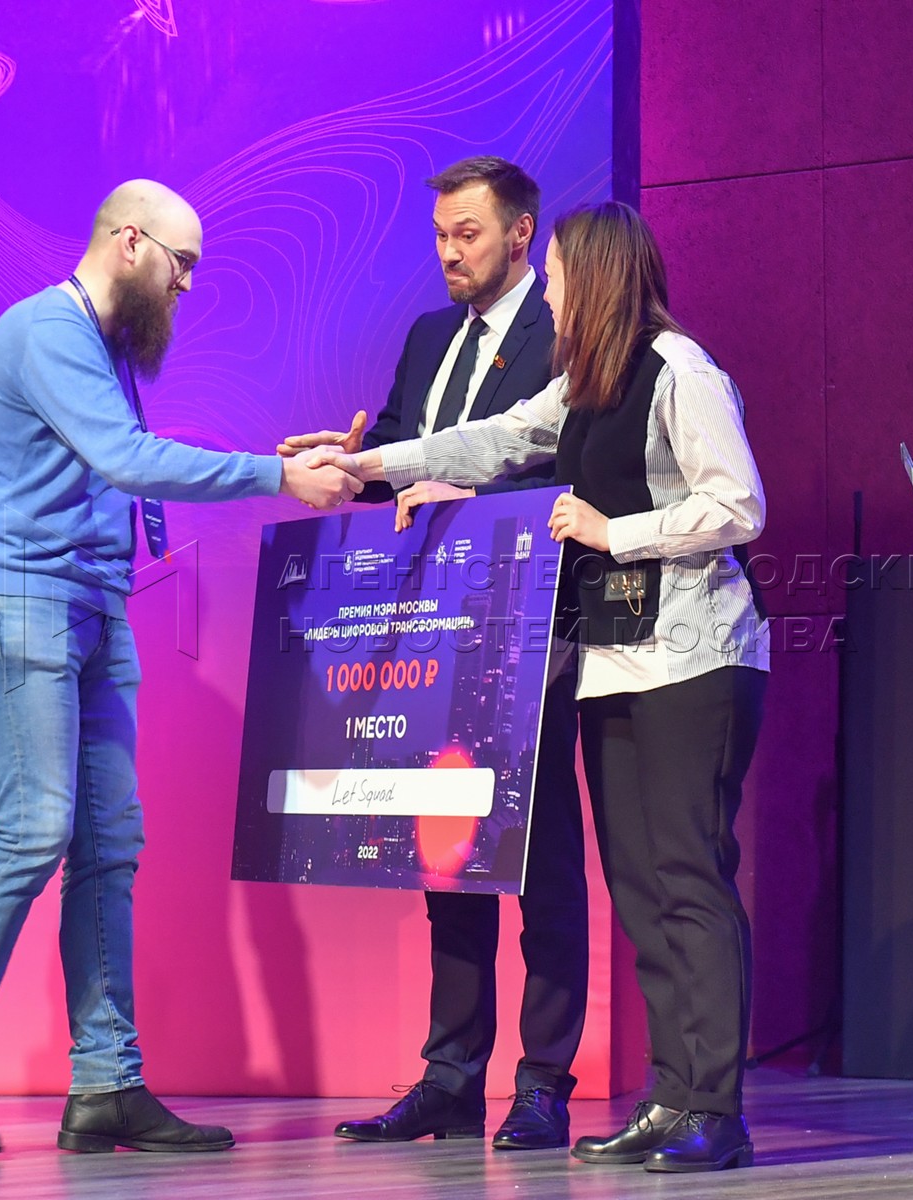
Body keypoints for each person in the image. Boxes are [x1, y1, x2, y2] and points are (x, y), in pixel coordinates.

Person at [0, 180, 359, 1156]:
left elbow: (118, 472)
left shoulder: (99, 347)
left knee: (110, 844)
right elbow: (129, 459)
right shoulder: (47, 330)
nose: (187, 285)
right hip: (17, 598)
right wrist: (277, 476)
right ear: (132, 242)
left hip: (90, 608)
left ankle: (106, 1084)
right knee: (36, 826)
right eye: (181, 265)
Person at [312, 201, 768, 1174]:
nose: (550, 291)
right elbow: (492, 441)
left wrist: (614, 532)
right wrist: (365, 465)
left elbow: (738, 503)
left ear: (595, 277)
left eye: (558, 274)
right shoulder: (586, 383)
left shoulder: (680, 369)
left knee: (689, 876)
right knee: (640, 887)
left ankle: (716, 1109)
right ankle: (670, 1099)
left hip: (696, 657)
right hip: (614, 659)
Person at [280, 157, 589, 1151]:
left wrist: (469, 492)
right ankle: (450, 1077)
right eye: (441, 236)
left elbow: (575, 461)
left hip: (532, 615)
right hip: (434, 622)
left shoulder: (565, 329)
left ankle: (543, 1081)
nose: (450, 253)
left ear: (521, 232)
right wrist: (349, 464)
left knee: (539, 857)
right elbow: (403, 449)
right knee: (448, 852)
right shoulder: (427, 336)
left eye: (468, 234)